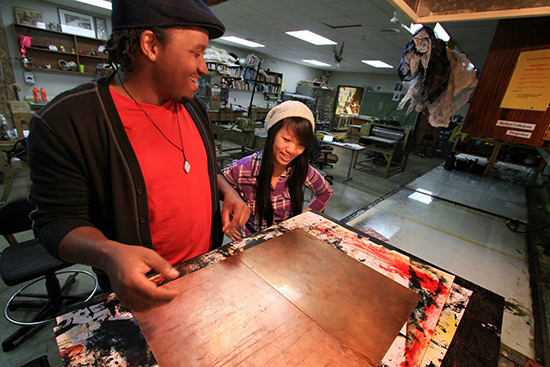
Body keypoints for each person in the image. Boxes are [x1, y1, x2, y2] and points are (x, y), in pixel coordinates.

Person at [26, 0, 250, 312]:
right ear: (150, 45)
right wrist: (107, 253)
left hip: (204, 268)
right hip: (142, 291)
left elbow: (200, 165)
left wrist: (227, 190)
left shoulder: (191, 105)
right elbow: (55, 221)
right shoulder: (67, 121)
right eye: (196, 53)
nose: (203, 67)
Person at [222, 101, 333, 240]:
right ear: (272, 134)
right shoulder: (243, 168)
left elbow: (325, 192)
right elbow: (216, 187)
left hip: (284, 241)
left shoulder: (301, 169)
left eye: (301, 144)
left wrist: (304, 218)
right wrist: (228, 220)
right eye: (286, 139)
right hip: (249, 242)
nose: (291, 150)